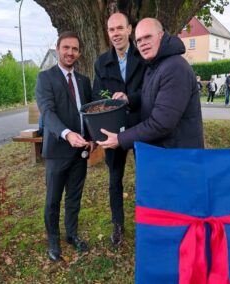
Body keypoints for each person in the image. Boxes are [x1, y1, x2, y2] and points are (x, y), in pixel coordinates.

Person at [97, 18, 204, 151]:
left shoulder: (175, 68)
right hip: (163, 152)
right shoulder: (153, 66)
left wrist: (120, 139)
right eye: (139, 40)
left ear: (161, 35)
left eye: (147, 37)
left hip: (179, 156)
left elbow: (161, 124)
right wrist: (128, 99)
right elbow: (149, 95)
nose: (143, 44)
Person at [35, 31, 93, 262]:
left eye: (75, 49)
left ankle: (72, 234)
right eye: (66, 47)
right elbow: (47, 112)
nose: (70, 52)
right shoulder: (45, 78)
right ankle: (53, 241)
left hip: (81, 151)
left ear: (79, 53)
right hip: (58, 151)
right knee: (53, 199)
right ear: (58, 49)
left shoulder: (84, 81)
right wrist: (67, 134)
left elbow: (89, 112)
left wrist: (91, 137)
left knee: (74, 197)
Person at [92, 12, 145, 247]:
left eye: (119, 28)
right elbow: (97, 98)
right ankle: (118, 225)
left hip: (142, 127)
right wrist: (113, 104)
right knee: (115, 179)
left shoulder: (144, 56)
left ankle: (149, 222)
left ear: (129, 29)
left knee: (146, 176)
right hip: (113, 131)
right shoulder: (101, 62)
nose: (115, 34)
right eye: (111, 29)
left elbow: (152, 91)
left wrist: (129, 98)